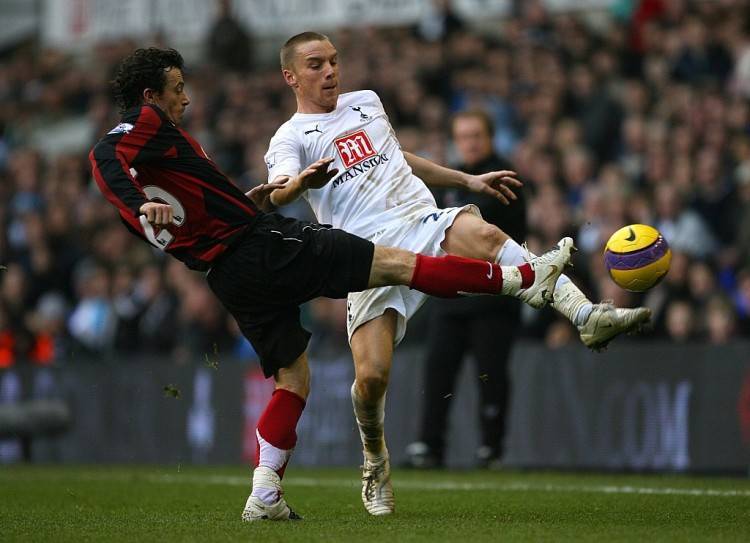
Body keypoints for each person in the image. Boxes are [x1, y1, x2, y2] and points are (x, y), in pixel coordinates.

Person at [89, 47, 573, 522]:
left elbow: (192, 214)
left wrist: (240, 202)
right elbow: (104, 154)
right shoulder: (148, 126)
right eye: (177, 88)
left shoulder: (157, 164)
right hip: (262, 246)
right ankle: (524, 278)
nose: (186, 98)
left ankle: (265, 491)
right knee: (396, 263)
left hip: (226, 274)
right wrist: (140, 202)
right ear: (150, 95)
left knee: (293, 379)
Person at [265, 31, 651, 516]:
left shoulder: (366, 101)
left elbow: (397, 158)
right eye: (316, 64)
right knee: (372, 378)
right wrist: (299, 183)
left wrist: (465, 178)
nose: (329, 72)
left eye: (334, 61)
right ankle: (375, 459)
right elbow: (278, 189)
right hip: (366, 254)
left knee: (485, 236)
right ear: (291, 76)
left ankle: (585, 314)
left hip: (418, 219)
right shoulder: (290, 137)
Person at [406, 109, 526, 469]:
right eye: (463, 137)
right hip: (451, 296)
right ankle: (429, 445)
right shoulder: (454, 179)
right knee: (437, 372)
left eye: (476, 135)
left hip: (493, 296)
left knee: (491, 374)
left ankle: (491, 448)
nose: (470, 143)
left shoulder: (504, 176)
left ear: (490, 137)